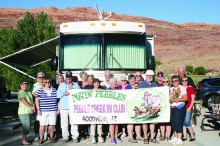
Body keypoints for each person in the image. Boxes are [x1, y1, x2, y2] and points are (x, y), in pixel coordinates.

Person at [57, 71, 81, 143]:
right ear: (65, 78)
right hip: (63, 107)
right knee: (64, 123)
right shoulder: (61, 85)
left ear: (71, 77)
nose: (68, 78)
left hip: (73, 107)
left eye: (70, 77)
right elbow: (57, 95)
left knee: (74, 122)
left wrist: (72, 90)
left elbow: (80, 94)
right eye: (67, 77)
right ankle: (65, 137)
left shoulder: (76, 85)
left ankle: (75, 136)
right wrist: (64, 93)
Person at [35, 78, 58, 144]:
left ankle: (51, 138)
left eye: (49, 82)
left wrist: (58, 109)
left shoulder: (54, 90)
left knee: (51, 125)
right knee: (42, 125)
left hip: (53, 110)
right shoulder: (40, 90)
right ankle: (41, 139)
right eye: (46, 82)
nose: (47, 83)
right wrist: (38, 109)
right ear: (44, 83)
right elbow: (37, 100)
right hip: (43, 111)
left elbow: (57, 100)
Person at [138, 70, 159, 144]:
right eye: (148, 76)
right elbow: (139, 94)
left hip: (153, 105)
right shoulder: (141, 84)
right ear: (146, 76)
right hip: (145, 105)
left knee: (152, 121)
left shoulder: (155, 84)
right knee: (145, 121)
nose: (150, 77)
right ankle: (145, 137)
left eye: (151, 76)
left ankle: (152, 137)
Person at [168, 75, 188, 145]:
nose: (174, 82)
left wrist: (177, 99)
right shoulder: (171, 88)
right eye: (173, 81)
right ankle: (175, 137)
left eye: (176, 81)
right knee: (173, 123)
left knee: (179, 123)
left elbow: (185, 98)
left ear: (179, 81)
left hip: (179, 108)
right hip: (172, 108)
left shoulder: (181, 88)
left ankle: (179, 139)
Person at [126, 74, 143, 143]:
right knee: (130, 122)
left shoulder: (138, 86)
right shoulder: (127, 87)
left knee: (138, 120)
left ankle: (138, 135)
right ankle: (131, 137)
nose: (132, 80)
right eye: (131, 79)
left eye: (133, 79)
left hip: (137, 105)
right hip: (130, 106)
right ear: (129, 80)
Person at [18, 81, 35, 145]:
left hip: (28, 112)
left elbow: (31, 101)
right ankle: (23, 140)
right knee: (27, 127)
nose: (25, 85)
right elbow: (23, 101)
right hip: (23, 112)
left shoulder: (28, 92)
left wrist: (33, 107)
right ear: (20, 85)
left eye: (26, 84)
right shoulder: (21, 92)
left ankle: (24, 139)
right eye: (23, 84)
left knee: (28, 126)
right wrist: (31, 106)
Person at [108, 78, 123, 144]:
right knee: (112, 123)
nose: (115, 83)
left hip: (117, 109)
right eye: (113, 82)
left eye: (115, 82)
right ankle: (112, 138)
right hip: (110, 109)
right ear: (110, 83)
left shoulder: (119, 89)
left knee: (117, 123)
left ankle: (116, 137)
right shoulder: (108, 90)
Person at [31, 72, 45, 142]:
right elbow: (34, 94)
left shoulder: (47, 83)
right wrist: (42, 87)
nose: (41, 79)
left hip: (45, 105)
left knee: (45, 121)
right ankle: (36, 135)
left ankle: (44, 135)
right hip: (37, 105)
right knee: (37, 121)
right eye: (39, 77)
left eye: (42, 77)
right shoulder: (34, 85)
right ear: (37, 78)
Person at [90, 78, 104, 144]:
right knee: (93, 123)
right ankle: (93, 137)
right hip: (92, 109)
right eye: (95, 83)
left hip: (100, 109)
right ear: (93, 84)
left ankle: (100, 136)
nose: (96, 84)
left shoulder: (102, 90)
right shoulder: (90, 91)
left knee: (100, 123)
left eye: (97, 83)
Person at [182, 77, 196, 142]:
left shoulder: (190, 89)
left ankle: (192, 136)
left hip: (188, 107)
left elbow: (193, 99)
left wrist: (190, 107)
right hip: (182, 108)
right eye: (183, 81)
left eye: (185, 81)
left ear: (187, 81)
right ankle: (184, 136)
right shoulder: (181, 89)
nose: (184, 82)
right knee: (183, 123)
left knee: (187, 121)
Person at [159, 76, 172, 141]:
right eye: (163, 82)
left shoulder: (171, 89)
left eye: (166, 82)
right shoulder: (160, 89)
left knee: (168, 122)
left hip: (169, 107)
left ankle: (168, 136)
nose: (165, 83)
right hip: (162, 107)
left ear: (168, 82)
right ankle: (162, 135)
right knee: (162, 122)